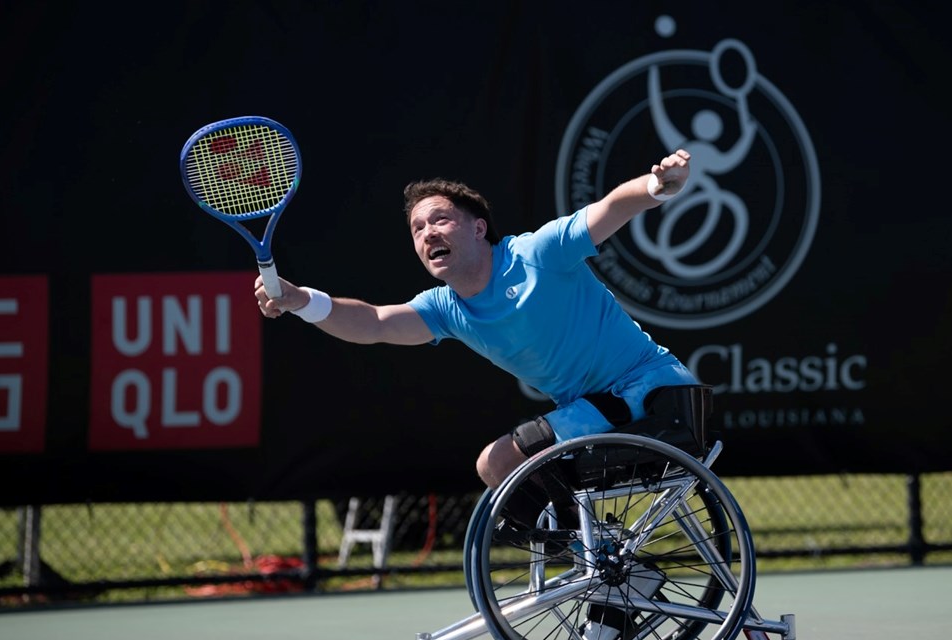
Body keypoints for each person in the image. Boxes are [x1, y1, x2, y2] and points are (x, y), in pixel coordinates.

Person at [254, 150, 699, 492]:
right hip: (594, 412)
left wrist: (657, 186)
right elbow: (373, 323)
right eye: (417, 229)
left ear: (479, 229)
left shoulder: (537, 254)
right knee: (501, 468)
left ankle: (599, 560)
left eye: (441, 219)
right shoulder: (446, 308)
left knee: (498, 461)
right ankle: (600, 561)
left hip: (650, 392)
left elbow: (612, 208)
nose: (428, 233)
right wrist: (298, 300)